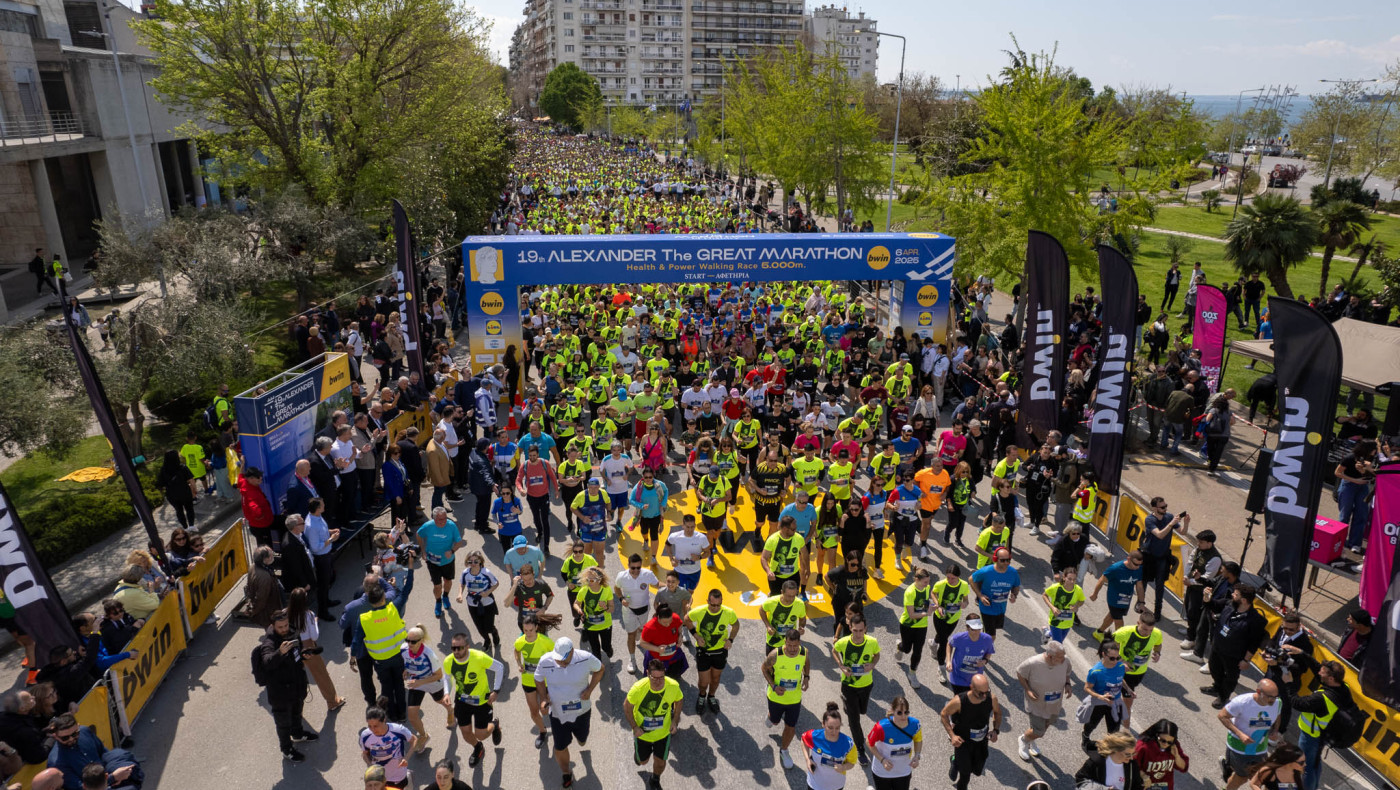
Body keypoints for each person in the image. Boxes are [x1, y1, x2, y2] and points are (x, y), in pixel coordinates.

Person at [534, 636, 606, 789]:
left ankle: (582, 743)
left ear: (572, 652)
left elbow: (600, 669)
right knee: (560, 747)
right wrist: (543, 699)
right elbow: (538, 678)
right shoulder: (546, 661)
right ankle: (566, 773)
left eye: (563, 659)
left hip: (582, 711)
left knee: (582, 739)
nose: (559, 662)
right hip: (557, 713)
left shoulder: (585, 658)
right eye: (558, 659)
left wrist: (589, 690)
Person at [256, 610, 319, 762]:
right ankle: (286, 749)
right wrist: (279, 652)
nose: (284, 629)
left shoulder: (292, 632)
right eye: (280, 627)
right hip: (280, 693)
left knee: (297, 713)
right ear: (273, 626)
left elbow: (297, 652)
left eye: (285, 625)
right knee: (283, 723)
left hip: (296, 685)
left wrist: (304, 654)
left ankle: (297, 733)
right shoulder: (269, 642)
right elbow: (267, 662)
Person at [442, 631, 506, 769]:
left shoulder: (479, 657)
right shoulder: (448, 661)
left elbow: (499, 668)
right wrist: (447, 693)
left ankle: (494, 725)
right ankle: (478, 748)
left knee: (481, 735)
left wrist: (496, 690)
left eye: (460, 648)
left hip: (482, 702)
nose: (456, 651)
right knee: (466, 733)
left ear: (467, 646)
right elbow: (447, 677)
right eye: (453, 648)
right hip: (462, 701)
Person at [1290, 660, 1354, 790]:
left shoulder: (1321, 698)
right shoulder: (1343, 687)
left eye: (1322, 672)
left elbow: (1297, 703)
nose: (1319, 673)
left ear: (1331, 678)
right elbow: (1318, 669)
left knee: (1305, 766)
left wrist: (1289, 684)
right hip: (1324, 734)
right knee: (1314, 762)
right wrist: (1303, 654)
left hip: (1311, 736)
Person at [1204, 583, 1268, 709]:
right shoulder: (1229, 604)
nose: (1232, 595)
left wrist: (1246, 660)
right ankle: (1217, 687)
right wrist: (1207, 597)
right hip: (1218, 647)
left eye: (1236, 594)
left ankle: (1223, 696)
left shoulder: (1255, 620)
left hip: (1234, 655)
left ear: (1243, 600)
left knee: (1230, 677)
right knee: (1214, 668)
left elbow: (1254, 643)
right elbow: (1213, 605)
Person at [624, 659, 684, 790]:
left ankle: (655, 779)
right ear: (647, 674)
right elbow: (627, 707)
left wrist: (675, 721)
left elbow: (679, 700)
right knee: (642, 762)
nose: (658, 681)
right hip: (643, 734)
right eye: (654, 678)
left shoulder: (672, 686)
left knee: (661, 762)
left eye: (661, 677)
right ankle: (639, 757)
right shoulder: (638, 688)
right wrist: (635, 727)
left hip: (663, 734)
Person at [831, 612, 880, 765]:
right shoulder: (843, 642)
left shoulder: (872, 642)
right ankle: (860, 749)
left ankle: (848, 706)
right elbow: (834, 650)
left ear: (865, 629)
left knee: (862, 711)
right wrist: (841, 666)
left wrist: (872, 664)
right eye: (855, 630)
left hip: (866, 685)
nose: (858, 634)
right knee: (854, 720)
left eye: (861, 630)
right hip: (849, 686)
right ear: (850, 628)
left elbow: (877, 655)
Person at [286, 587, 345, 712]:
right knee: (321, 675)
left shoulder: (286, 613)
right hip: (308, 647)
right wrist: (315, 622)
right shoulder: (308, 615)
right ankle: (332, 701)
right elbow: (314, 636)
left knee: (293, 677)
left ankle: (292, 707)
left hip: (292, 647)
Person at [46, 713, 142, 790]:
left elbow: (104, 753)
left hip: (107, 776)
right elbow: (80, 787)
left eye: (75, 734)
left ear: (78, 727)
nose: (71, 739)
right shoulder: (56, 762)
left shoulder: (85, 731)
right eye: (65, 738)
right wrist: (113, 778)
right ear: (55, 736)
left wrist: (119, 770)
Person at [940, 673, 1003, 790]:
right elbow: (944, 714)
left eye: (987, 691)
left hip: (981, 741)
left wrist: (995, 730)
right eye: (981, 693)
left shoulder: (991, 698)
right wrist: (952, 735)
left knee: (977, 771)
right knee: (965, 775)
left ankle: (955, 760)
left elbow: (998, 713)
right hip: (963, 742)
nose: (984, 696)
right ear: (972, 688)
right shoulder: (959, 701)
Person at [359, 583, 409, 723]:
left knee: (386, 687)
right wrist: (410, 571)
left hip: (380, 661)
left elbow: (357, 640)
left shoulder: (364, 619)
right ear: (383, 599)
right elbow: (405, 590)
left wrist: (353, 658)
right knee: (399, 684)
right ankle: (402, 713)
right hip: (398, 657)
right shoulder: (393, 608)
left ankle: (391, 714)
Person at [1015, 641, 1073, 760]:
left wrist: (1067, 684)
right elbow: (1020, 673)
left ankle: (1031, 740)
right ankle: (1024, 739)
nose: (1063, 659)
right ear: (1050, 656)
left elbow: (1067, 673)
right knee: (1039, 731)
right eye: (1060, 657)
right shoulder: (1032, 663)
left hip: (1054, 704)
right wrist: (1028, 690)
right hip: (1037, 703)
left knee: (1046, 725)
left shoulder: (1065, 661)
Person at [1221, 679, 1282, 790]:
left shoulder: (1277, 702)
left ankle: (1229, 767)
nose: (1273, 700)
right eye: (1270, 697)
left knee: (1262, 778)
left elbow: (1278, 715)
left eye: (1275, 696)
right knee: (1241, 778)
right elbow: (1222, 716)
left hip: (1260, 748)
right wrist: (1240, 734)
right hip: (1239, 747)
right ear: (1258, 692)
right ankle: (1229, 769)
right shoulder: (1241, 702)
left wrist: (1275, 730)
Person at [764, 629, 811, 771]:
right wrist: (773, 686)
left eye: (795, 646)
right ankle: (771, 717)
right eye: (789, 645)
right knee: (775, 721)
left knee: (791, 727)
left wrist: (806, 677)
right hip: (776, 697)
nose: (792, 649)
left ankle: (784, 750)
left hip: (794, 699)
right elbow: (764, 669)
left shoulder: (804, 652)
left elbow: (806, 663)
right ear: (785, 642)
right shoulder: (775, 654)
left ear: (799, 643)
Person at [686, 589, 739, 714]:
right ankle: (702, 695)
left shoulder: (729, 612)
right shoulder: (700, 611)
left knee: (715, 679)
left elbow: (736, 625)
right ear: (707, 601)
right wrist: (696, 636)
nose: (715, 608)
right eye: (712, 605)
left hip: (720, 652)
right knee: (704, 682)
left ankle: (711, 696)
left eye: (718, 605)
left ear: (722, 601)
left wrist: (730, 640)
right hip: (703, 651)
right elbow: (687, 619)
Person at [401, 625, 451, 752]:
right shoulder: (403, 649)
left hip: (433, 682)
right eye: (407, 640)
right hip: (416, 683)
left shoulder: (429, 654)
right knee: (412, 716)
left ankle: (451, 711)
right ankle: (424, 736)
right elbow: (406, 662)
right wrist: (406, 670)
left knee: (440, 701)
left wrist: (420, 682)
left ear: (421, 641)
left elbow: (439, 675)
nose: (409, 644)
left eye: (413, 642)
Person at [1138, 499, 1187, 620]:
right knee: (1143, 581)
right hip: (1149, 555)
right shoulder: (1150, 520)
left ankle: (1157, 610)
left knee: (1160, 584)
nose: (1165, 509)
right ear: (1154, 508)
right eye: (1162, 507)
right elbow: (1159, 534)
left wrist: (1186, 523)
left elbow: (1183, 532)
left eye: (1166, 506)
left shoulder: (1169, 517)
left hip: (1162, 557)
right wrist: (1171, 524)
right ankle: (1140, 603)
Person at [417, 507, 466, 619]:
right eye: (440, 519)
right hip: (432, 561)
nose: (443, 521)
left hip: (448, 561)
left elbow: (459, 542)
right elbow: (419, 535)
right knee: (437, 585)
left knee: (448, 581)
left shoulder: (451, 526)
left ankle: (445, 596)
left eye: (445, 518)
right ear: (434, 518)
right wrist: (423, 550)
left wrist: (452, 551)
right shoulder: (428, 526)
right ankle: (438, 602)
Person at [614, 554, 660, 675]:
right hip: (629, 610)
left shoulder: (647, 574)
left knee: (641, 629)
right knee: (631, 634)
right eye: (633, 568)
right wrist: (621, 599)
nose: (635, 570)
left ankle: (639, 633)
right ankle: (632, 659)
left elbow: (657, 584)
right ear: (628, 565)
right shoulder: (621, 576)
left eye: (638, 568)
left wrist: (673, 587)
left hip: (644, 609)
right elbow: (616, 588)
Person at [1113, 612, 1164, 720]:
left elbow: (1158, 644)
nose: (1147, 633)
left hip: (1139, 672)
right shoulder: (1124, 632)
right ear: (1138, 623)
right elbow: (1110, 646)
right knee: (1124, 697)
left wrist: (1157, 653)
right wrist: (1120, 661)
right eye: (1144, 629)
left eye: (1150, 630)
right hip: (1121, 670)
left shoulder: (1157, 633)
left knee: (1126, 694)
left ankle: (1121, 707)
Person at [1083, 641, 1131, 754]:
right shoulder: (1095, 671)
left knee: (1114, 729)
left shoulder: (1120, 666)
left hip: (1115, 703)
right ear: (1104, 654)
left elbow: (1120, 679)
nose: (1115, 661)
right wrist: (1100, 696)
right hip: (1099, 703)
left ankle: (1110, 748)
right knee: (1091, 724)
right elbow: (1087, 688)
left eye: (1117, 658)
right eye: (1112, 658)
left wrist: (1128, 689)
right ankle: (1085, 737)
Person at [866, 695, 922, 790]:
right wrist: (882, 760)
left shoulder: (915, 725)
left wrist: (917, 755)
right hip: (882, 772)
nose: (903, 716)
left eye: (906, 712)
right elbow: (869, 742)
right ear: (893, 711)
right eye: (899, 713)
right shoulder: (881, 727)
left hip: (903, 772)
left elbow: (918, 740)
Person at [1091, 551, 1145, 642]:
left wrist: (1141, 602)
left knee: (1112, 616)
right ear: (1128, 559)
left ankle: (1099, 632)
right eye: (1135, 564)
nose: (1137, 567)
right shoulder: (1115, 568)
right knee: (1119, 621)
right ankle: (1120, 642)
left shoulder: (1138, 569)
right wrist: (1095, 594)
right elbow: (1101, 580)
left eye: (1140, 564)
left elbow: (1139, 586)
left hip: (1126, 600)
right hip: (1114, 599)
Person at [802, 701, 857, 790]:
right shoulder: (814, 736)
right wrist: (807, 759)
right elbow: (803, 740)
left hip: (836, 786)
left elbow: (852, 763)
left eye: (837, 728)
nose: (834, 732)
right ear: (823, 724)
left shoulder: (848, 744)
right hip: (814, 785)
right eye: (830, 728)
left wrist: (843, 767)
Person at [359, 705, 417, 789]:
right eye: (370, 726)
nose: (373, 730)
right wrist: (370, 765)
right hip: (379, 778)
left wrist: (406, 758)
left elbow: (414, 740)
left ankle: (408, 776)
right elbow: (365, 754)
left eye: (376, 726)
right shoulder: (365, 736)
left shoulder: (398, 730)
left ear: (384, 720)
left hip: (398, 775)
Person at [455, 552, 502, 654]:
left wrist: (488, 592)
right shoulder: (465, 573)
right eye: (470, 561)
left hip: (487, 602)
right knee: (480, 627)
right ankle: (487, 641)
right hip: (472, 602)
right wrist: (460, 594)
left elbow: (496, 583)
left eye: (476, 561)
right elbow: (462, 583)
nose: (473, 564)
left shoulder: (486, 572)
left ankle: (494, 632)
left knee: (489, 626)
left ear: (480, 561)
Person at [968, 547, 1020, 637]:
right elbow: (971, 579)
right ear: (996, 559)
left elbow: (1016, 585)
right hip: (987, 608)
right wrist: (980, 596)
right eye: (1002, 560)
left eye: (1008, 560)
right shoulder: (986, 571)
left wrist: (1014, 595)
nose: (1006, 563)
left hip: (1001, 608)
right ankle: (982, 644)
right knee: (991, 636)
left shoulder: (1013, 572)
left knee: (994, 629)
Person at [895, 568, 933, 688]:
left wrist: (931, 607)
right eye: (925, 582)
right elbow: (911, 615)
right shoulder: (910, 592)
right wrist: (927, 613)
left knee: (918, 650)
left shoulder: (926, 588)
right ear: (917, 579)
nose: (927, 584)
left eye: (928, 581)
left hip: (922, 625)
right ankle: (900, 646)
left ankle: (912, 673)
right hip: (908, 625)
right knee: (907, 649)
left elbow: (925, 603)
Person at [1075, 731, 1145, 790]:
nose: (1131, 758)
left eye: (1133, 754)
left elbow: (1137, 786)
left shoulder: (1132, 765)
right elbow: (1080, 779)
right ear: (1116, 750)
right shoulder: (1096, 761)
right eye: (1128, 754)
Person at [946, 614, 995, 696]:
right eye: (973, 630)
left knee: (974, 699)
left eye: (979, 629)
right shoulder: (959, 638)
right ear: (967, 627)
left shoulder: (987, 639)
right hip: (958, 678)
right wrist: (948, 661)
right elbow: (949, 644)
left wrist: (985, 661)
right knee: (960, 699)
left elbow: (989, 652)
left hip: (975, 679)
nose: (977, 632)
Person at [573, 566, 615, 662]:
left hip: (605, 625)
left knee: (606, 647)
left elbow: (612, 608)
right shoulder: (584, 590)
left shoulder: (606, 589)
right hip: (590, 625)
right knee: (595, 650)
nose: (589, 582)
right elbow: (576, 603)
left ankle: (609, 650)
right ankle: (599, 667)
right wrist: (579, 610)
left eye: (591, 580)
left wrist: (606, 607)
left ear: (599, 580)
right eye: (587, 579)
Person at [761, 515, 809, 597]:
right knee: (776, 599)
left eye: (795, 528)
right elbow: (764, 558)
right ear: (785, 529)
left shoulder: (798, 538)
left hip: (793, 576)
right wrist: (768, 571)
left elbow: (805, 553)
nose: (795, 531)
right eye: (793, 529)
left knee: (793, 598)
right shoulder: (772, 539)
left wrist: (807, 568)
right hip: (776, 577)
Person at [1135, 719, 1189, 790]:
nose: (1166, 744)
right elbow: (1132, 765)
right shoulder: (1144, 746)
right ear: (1156, 735)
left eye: (1169, 742)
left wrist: (1177, 756)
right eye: (1163, 740)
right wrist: (1144, 776)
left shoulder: (1174, 746)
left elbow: (1183, 767)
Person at [664, 515, 710, 592]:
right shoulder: (675, 536)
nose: (690, 530)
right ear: (683, 525)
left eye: (692, 527)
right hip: (679, 572)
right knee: (680, 593)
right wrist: (671, 559)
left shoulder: (701, 538)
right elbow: (667, 545)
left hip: (695, 572)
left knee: (690, 593)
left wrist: (699, 557)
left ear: (695, 526)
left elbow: (708, 552)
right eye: (687, 527)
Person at [1043, 565, 1086, 644]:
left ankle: (1047, 633)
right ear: (1064, 577)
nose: (1072, 582)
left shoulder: (1078, 590)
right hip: (1055, 620)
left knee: (1059, 639)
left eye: (1074, 579)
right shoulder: (1056, 587)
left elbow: (1082, 600)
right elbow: (1044, 595)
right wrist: (1052, 607)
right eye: (1069, 579)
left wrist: (1077, 606)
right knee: (1058, 644)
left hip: (1068, 621)